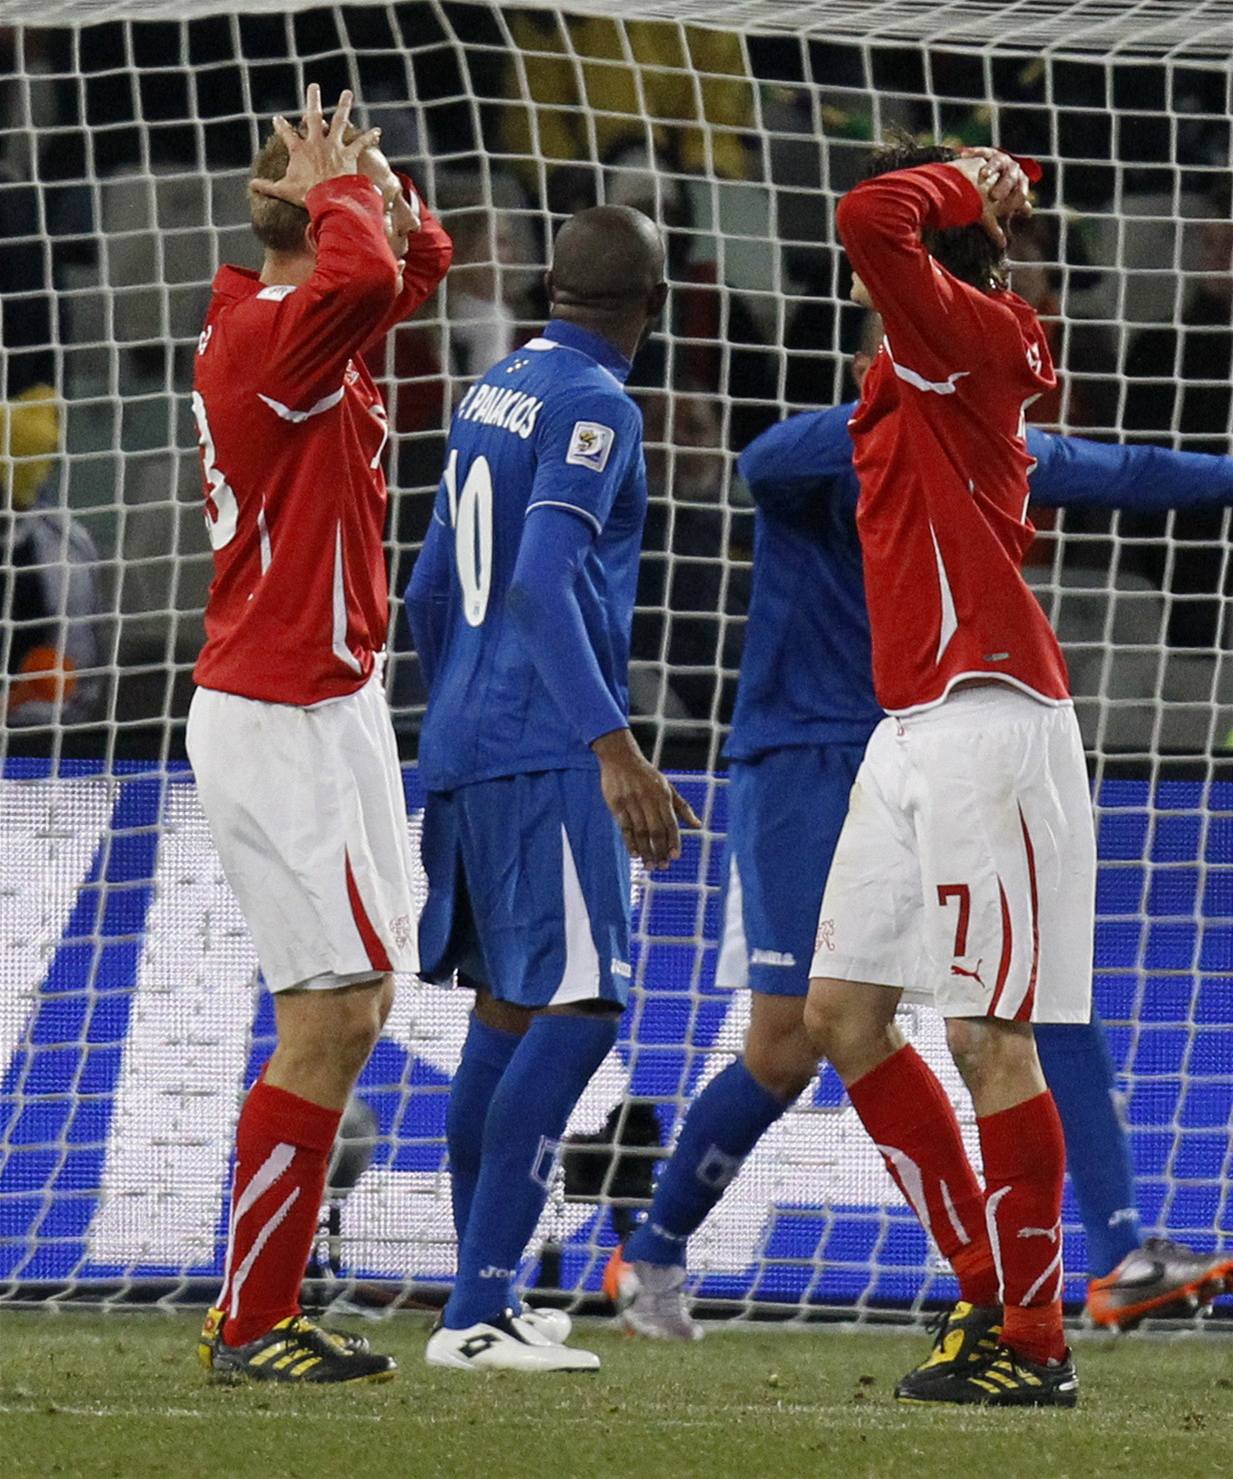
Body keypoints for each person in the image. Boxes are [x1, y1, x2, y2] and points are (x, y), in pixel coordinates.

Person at [607, 325, 1233, 1341]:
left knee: (1032, 993)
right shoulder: (840, 444)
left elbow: (1127, 472)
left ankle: (1116, 1255)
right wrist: (891, 415)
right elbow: (761, 462)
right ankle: (654, 1248)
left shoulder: (983, 441)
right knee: (787, 1043)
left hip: (932, 748)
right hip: (805, 759)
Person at [186, 84, 452, 1384]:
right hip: (275, 710)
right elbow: (372, 269)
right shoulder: (263, 339)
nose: (381, 220)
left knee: (362, 1001)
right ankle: (253, 1317)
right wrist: (345, 195)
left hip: (335, 704)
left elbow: (414, 265)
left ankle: (264, 1305)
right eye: (352, 200)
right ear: (308, 219)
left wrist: (377, 191)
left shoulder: (316, 327)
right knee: (331, 1010)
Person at [405, 203, 698, 1373]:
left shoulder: (496, 390)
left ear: (549, 289)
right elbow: (537, 581)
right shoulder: (597, 404)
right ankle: (477, 1312)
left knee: (508, 1012)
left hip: (468, 735)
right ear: (655, 304)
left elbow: (430, 586)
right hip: (546, 743)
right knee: (582, 1011)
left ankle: (486, 1298)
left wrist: (463, 707)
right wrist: (611, 747)